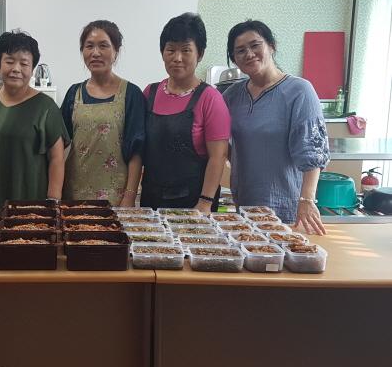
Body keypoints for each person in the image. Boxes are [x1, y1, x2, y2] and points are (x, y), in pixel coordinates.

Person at [223, 19, 329, 234]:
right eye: (240, 51)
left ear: (271, 46)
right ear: (234, 60)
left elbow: (314, 151)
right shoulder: (232, 95)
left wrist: (307, 200)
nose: (249, 54)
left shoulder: (299, 91)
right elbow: (218, 141)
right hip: (244, 203)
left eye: (255, 45)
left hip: (286, 207)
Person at [141, 13, 230, 213]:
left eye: (186, 50)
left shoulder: (210, 98)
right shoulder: (149, 93)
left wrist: (205, 202)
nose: (177, 58)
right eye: (171, 50)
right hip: (151, 198)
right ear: (162, 52)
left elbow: (218, 156)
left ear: (200, 54)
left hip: (194, 203)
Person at [61, 20, 145, 206]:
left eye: (103, 46)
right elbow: (58, 146)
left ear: (116, 51)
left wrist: (129, 196)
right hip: (74, 194)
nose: (95, 53)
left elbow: (136, 151)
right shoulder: (74, 93)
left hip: (116, 197)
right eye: (89, 46)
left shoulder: (131, 94)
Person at [0, 30, 69, 206]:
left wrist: (53, 200)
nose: (16, 69)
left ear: (32, 68)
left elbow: (57, 159)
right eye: (9, 61)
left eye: (24, 63)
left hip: (31, 200)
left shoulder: (46, 107)